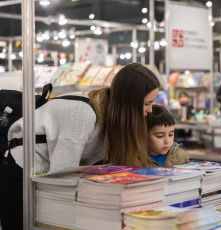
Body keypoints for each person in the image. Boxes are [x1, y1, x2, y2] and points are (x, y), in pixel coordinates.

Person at [0, 62, 160, 230]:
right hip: (22, 171)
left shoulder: (115, 116)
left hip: (51, 177)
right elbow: (61, 177)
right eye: (147, 103)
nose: (150, 110)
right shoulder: (81, 114)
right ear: (129, 102)